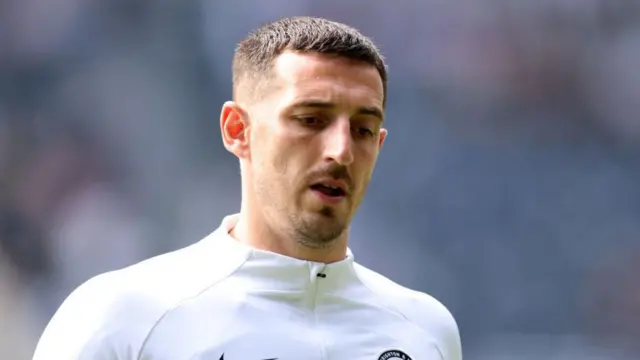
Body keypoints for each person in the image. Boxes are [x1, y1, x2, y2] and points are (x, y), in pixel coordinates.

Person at [32, 17, 462, 360]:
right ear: (238, 129)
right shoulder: (122, 316)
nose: (341, 151)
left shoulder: (425, 330)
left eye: (363, 129)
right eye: (310, 119)